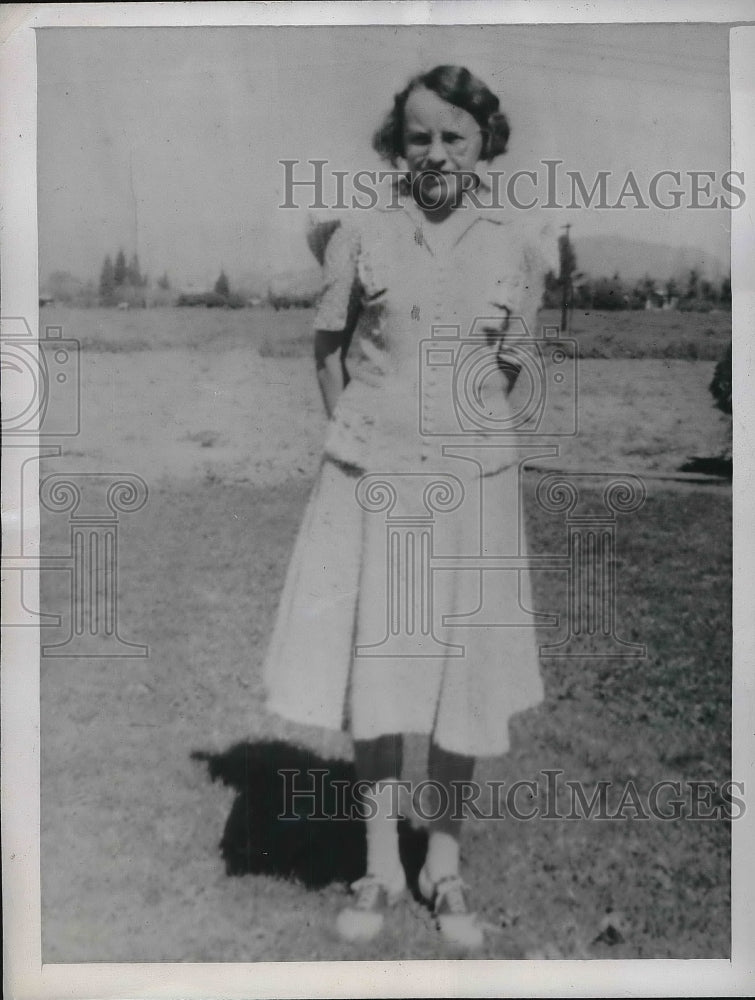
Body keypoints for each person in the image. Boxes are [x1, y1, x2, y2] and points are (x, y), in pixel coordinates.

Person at [263, 64, 555, 951]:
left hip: (471, 488)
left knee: (459, 673)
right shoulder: (361, 233)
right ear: (397, 147)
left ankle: (444, 863)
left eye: (453, 138)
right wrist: (363, 434)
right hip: (373, 483)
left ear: (483, 146)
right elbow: (328, 345)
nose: (434, 153)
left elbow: (509, 362)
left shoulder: (518, 243)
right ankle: (380, 865)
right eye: (417, 137)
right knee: (382, 671)